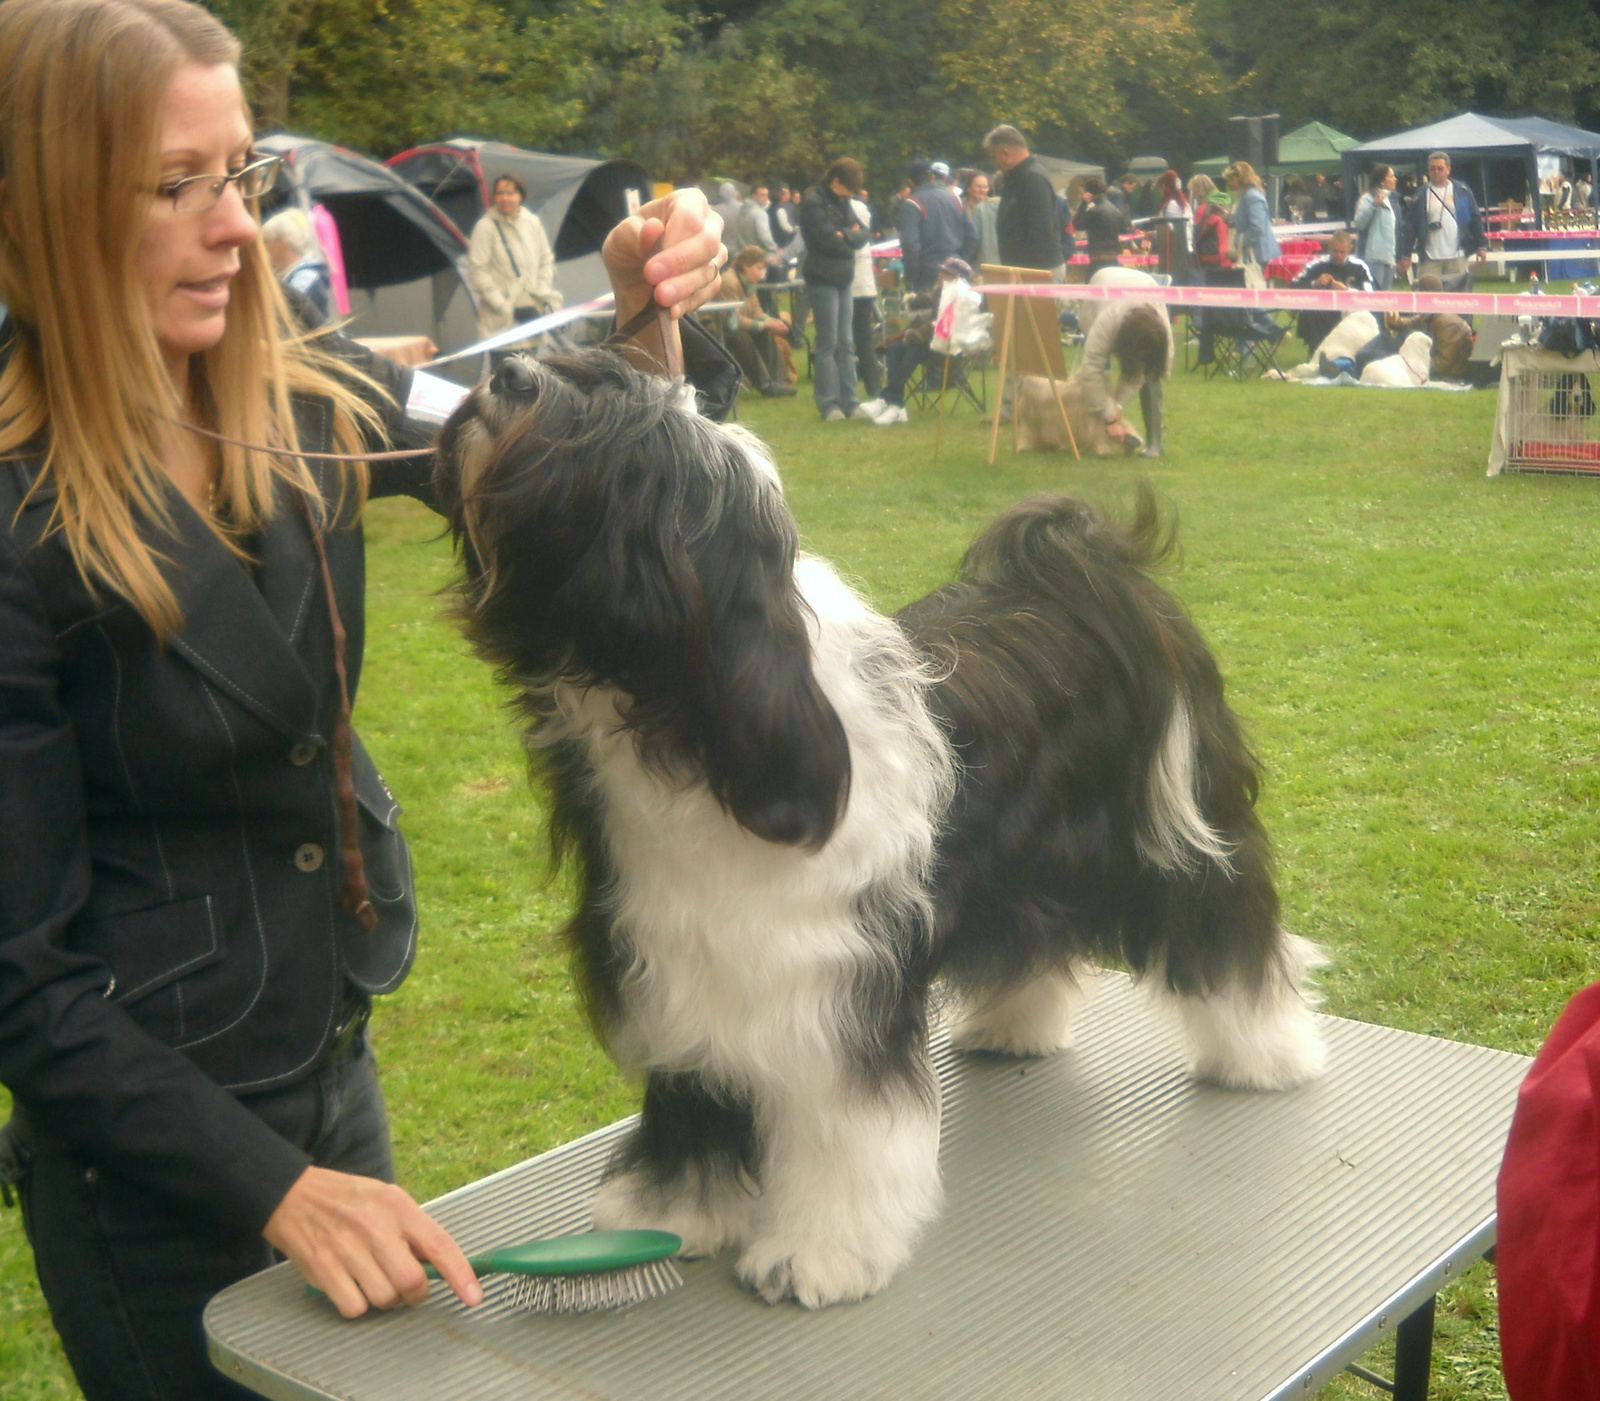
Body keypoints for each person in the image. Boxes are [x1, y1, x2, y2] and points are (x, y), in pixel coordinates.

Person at [0, 3, 732, 1397]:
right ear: (31, 213)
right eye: (174, 186)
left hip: (330, 1063)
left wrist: (643, 312)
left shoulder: (311, 396)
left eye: (241, 177)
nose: (238, 231)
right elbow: (20, 983)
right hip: (156, 1167)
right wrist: (274, 1187)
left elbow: (553, 471)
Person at [858, 256, 973, 426]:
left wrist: (917, 334)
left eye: (945, 272)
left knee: (914, 348)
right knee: (896, 348)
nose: (940, 274)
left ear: (956, 278)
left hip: (952, 348)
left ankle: (887, 400)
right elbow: (920, 322)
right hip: (929, 344)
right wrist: (909, 333)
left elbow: (945, 327)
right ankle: (896, 406)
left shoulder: (962, 298)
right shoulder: (934, 295)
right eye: (941, 271)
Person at [800, 157, 870, 421]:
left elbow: (863, 233)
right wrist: (845, 237)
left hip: (843, 279)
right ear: (836, 182)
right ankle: (829, 404)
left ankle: (851, 401)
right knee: (827, 343)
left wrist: (846, 235)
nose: (851, 195)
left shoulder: (842, 202)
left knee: (846, 342)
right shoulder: (813, 201)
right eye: (849, 189)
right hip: (822, 279)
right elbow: (827, 241)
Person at [1078, 266, 1172, 456]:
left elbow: (1144, 373)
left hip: (1145, 284)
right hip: (1102, 281)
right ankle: (1096, 436)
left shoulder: (1161, 330)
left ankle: (1155, 444)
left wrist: (1117, 406)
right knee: (1098, 373)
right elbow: (1090, 370)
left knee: (1152, 376)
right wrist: (1108, 415)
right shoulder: (1106, 322)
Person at [467, 173, 562, 352]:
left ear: (520, 196)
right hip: (501, 326)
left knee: (533, 375)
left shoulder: (532, 223)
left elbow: (546, 260)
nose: (505, 198)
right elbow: (477, 272)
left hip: (531, 318)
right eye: (499, 193)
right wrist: (503, 306)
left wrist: (540, 292)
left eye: (510, 193)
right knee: (505, 376)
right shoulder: (485, 227)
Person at [1344, 273, 1474, 382]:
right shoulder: (1431, 312)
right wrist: (1395, 322)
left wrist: (1407, 364)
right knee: (1385, 340)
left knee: (1383, 353)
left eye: (1418, 295)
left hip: (1448, 376)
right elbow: (1410, 322)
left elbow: (1443, 364)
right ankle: (1356, 367)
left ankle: (1353, 370)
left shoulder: (1448, 323)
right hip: (1424, 365)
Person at [986, 125, 1064, 277]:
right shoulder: (1021, 177)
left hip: (1037, 271)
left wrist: (1025, 275)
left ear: (1006, 153)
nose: (994, 162)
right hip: (1029, 269)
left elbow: (1041, 233)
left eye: (994, 156)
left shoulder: (1032, 178)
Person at [1398, 151, 1486, 284]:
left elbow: (1474, 218)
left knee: (1457, 300)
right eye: (1432, 168)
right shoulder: (1421, 195)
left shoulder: (1462, 191)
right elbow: (1410, 226)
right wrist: (1406, 254)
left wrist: (1482, 245)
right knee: (1428, 298)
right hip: (1429, 256)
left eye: (1440, 168)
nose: (1436, 171)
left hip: (1457, 255)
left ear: (1448, 170)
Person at [721, 245, 797, 396]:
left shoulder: (749, 281)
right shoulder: (730, 282)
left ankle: (779, 379)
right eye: (759, 268)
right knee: (742, 339)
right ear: (746, 265)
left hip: (738, 325)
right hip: (722, 329)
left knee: (764, 332)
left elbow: (756, 311)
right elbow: (733, 320)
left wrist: (772, 322)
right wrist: (764, 324)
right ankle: (764, 384)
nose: (763, 274)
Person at [1290, 231, 1375, 351]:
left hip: (1349, 314)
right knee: (1310, 313)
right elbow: (1293, 286)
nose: (1338, 255)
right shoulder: (1315, 265)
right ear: (1329, 247)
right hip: (1319, 314)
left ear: (1350, 249)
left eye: (1342, 252)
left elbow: (1370, 296)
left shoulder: (1360, 267)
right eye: (1335, 251)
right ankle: (1317, 353)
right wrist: (1314, 283)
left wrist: (1348, 290)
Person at [899, 159, 972, 291]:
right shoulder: (955, 199)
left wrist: (911, 275)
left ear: (911, 181)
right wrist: (961, 260)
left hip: (926, 272)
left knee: (928, 311)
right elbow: (972, 237)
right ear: (932, 176)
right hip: (955, 268)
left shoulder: (912, 203)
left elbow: (910, 244)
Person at [261, 207, 332, 325]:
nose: (265, 248)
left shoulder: (305, 279)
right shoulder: (294, 274)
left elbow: (287, 318)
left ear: (283, 242)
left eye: (267, 242)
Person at [1224, 160, 1280, 279]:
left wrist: (1239, 241)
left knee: (1253, 283)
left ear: (1241, 178)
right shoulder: (1245, 195)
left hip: (1256, 251)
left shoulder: (1252, 197)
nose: (1230, 183)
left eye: (1232, 179)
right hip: (1251, 251)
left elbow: (1257, 227)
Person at [1353, 164, 1400, 290]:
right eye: (1391, 176)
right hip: (1372, 256)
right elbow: (1359, 223)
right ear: (1382, 181)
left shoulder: (1392, 200)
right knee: (1373, 296)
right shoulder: (1367, 198)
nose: (1395, 179)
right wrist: (1374, 205)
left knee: (1385, 298)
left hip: (1389, 256)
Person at [1076, 176, 1131, 278]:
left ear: (1089, 193)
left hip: (1098, 260)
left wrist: (1084, 203)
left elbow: (1078, 224)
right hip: (1115, 260)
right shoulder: (1116, 211)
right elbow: (1125, 230)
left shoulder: (1093, 211)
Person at [1151, 168, 1192, 282]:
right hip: (1183, 248)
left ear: (1164, 186)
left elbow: (1171, 229)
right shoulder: (1183, 203)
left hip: (1174, 252)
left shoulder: (1172, 204)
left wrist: (1154, 233)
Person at [961, 170, 999, 267]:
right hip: (963, 258)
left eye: (985, 187)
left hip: (986, 262)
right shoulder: (959, 206)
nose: (982, 190)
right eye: (978, 186)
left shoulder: (994, 207)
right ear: (968, 188)